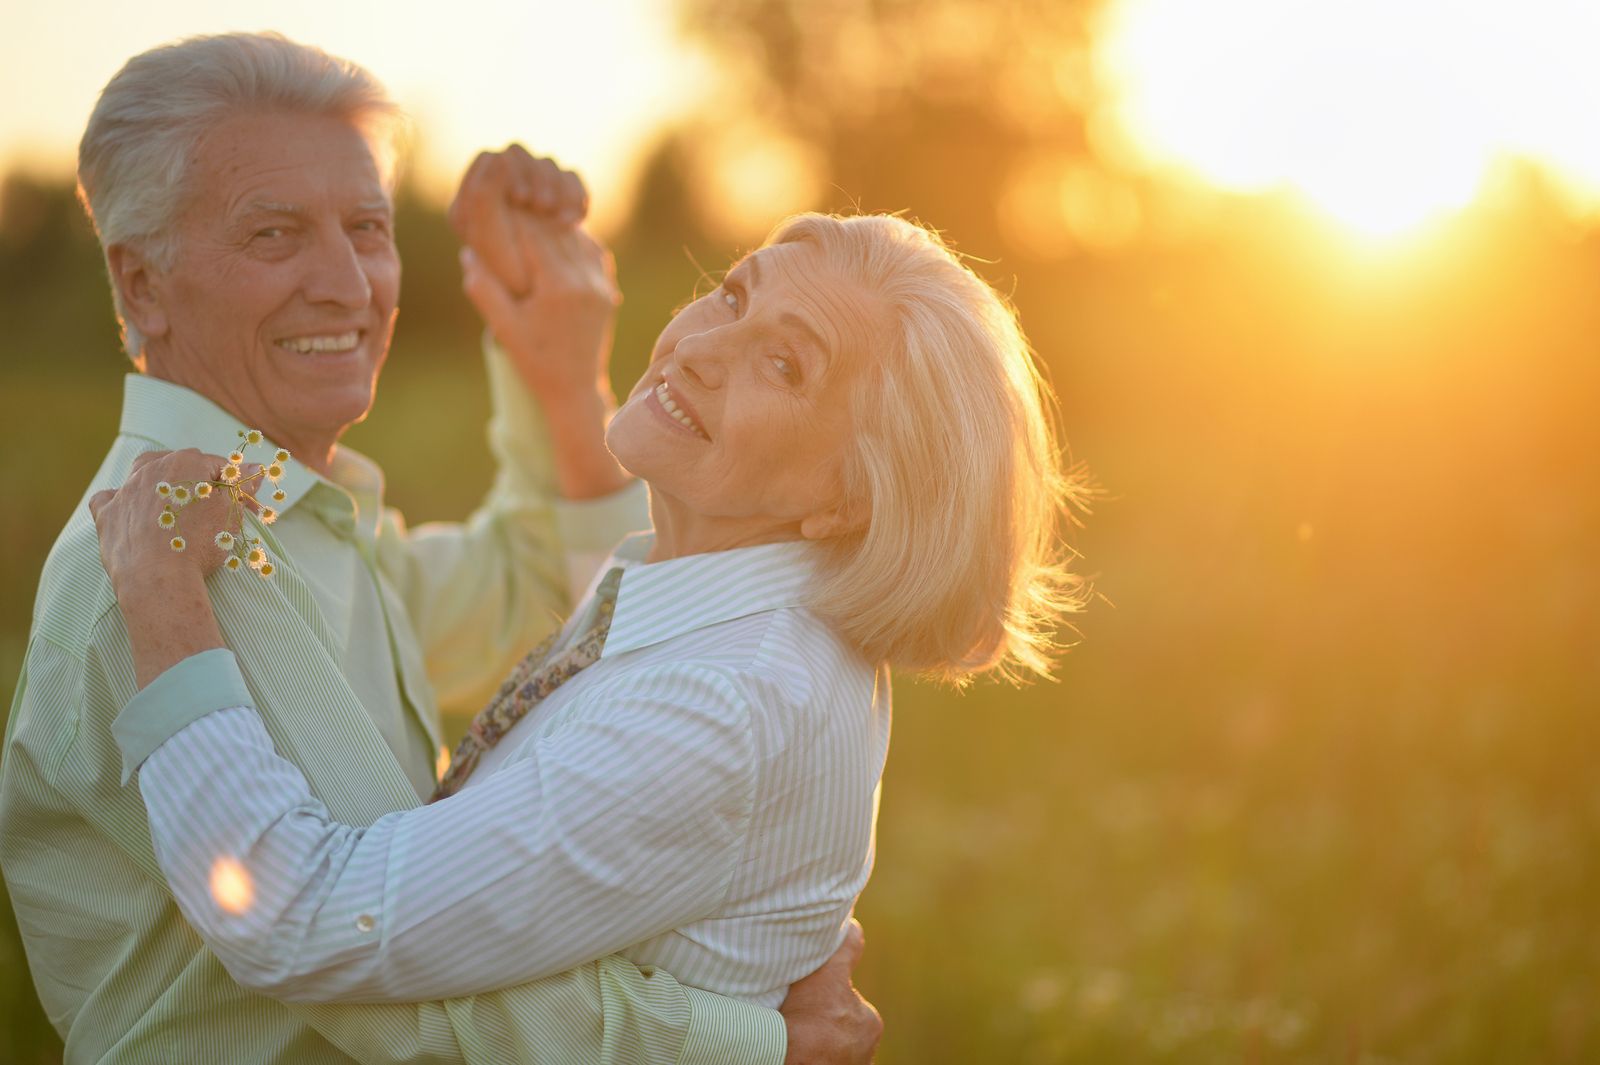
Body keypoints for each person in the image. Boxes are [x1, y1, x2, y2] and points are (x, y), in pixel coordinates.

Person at [0, 31, 878, 1065]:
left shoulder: (301, 522)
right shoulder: (187, 572)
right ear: (143, 285)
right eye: (275, 235)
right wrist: (746, 1039)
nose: (348, 283)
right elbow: (357, 951)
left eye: (366, 227)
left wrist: (554, 367)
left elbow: (543, 608)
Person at [87, 201, 1090, 1015]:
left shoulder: (721, 709)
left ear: (853, 495)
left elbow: (299, 919)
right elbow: (588, 718)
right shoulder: (718, 601)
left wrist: (165, 605)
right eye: (733, 294)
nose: (704, 347)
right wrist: (568, 387)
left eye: (786, 364)